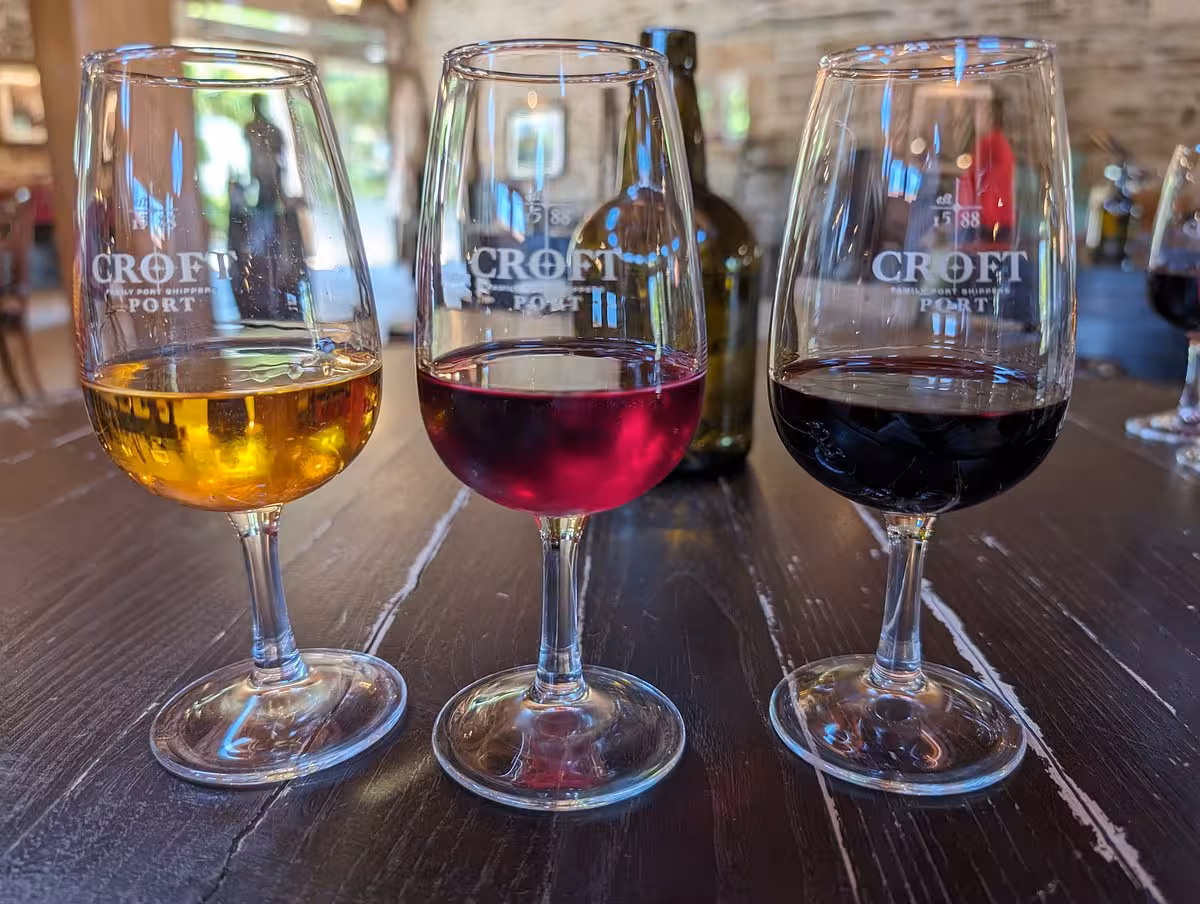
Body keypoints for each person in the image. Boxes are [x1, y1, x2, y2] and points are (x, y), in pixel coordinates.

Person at [244, 94, 283, 210]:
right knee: (262, 208)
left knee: (271, 208)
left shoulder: (272, 129)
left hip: (272, 173)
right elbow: (251, 154)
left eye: (257, 103)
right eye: (254, 104)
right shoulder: (249, 128)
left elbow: (280, 153)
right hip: (260, 175)